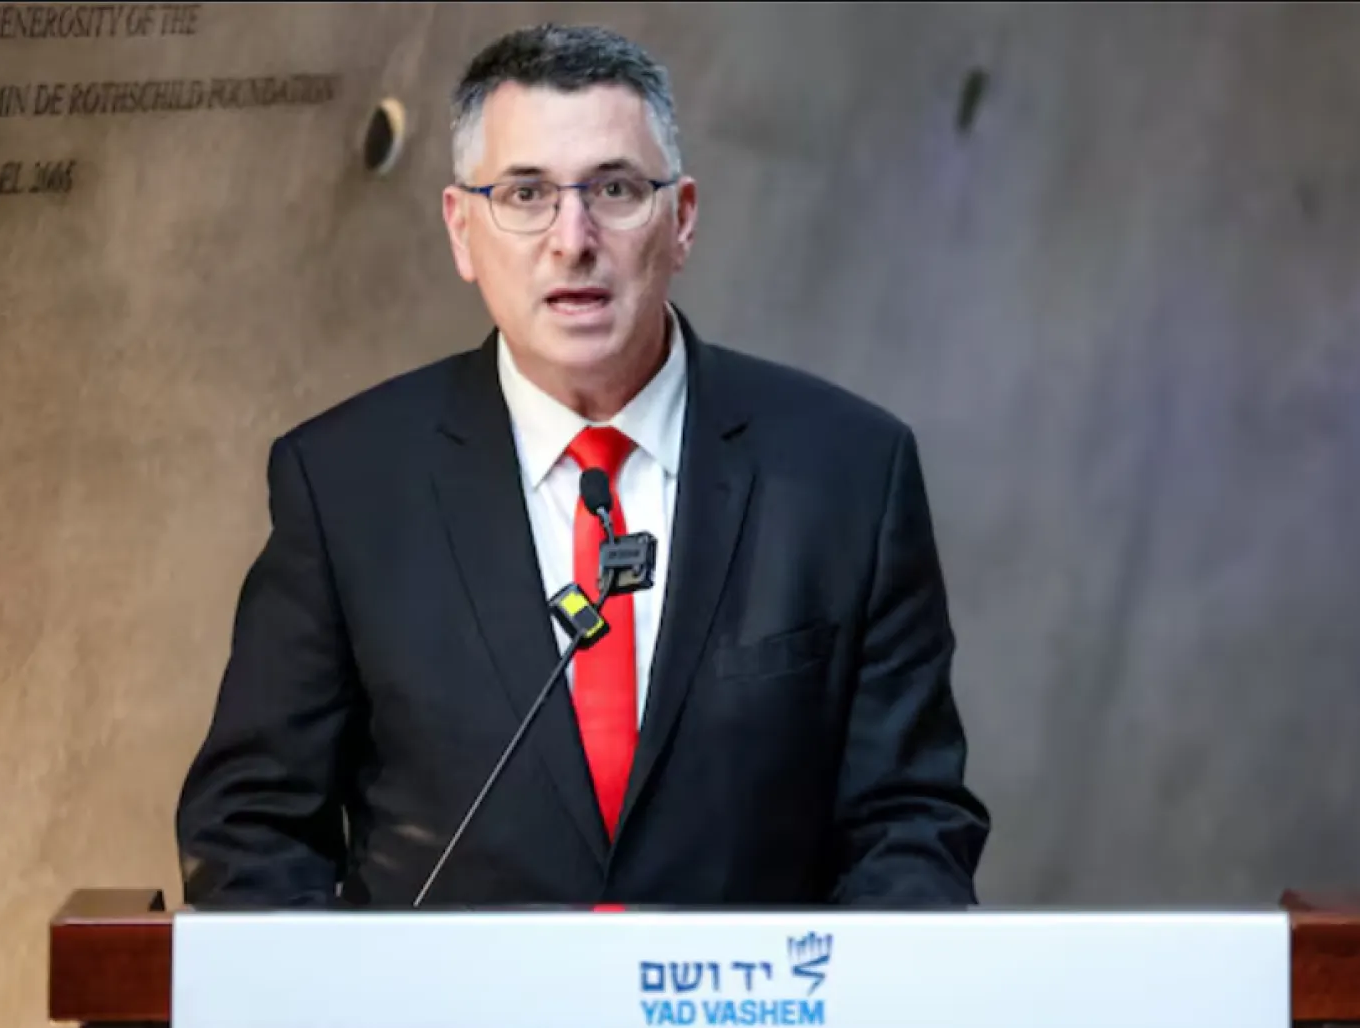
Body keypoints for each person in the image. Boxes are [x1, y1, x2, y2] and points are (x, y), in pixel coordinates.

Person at [175, 22, 989, 909]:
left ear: (680, 220)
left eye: (614, 189)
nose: (572, 238)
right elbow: (254, 827)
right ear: (461, 229)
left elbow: (909, 823)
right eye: (525, 193)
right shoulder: (346, 486)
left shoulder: (847, 476)